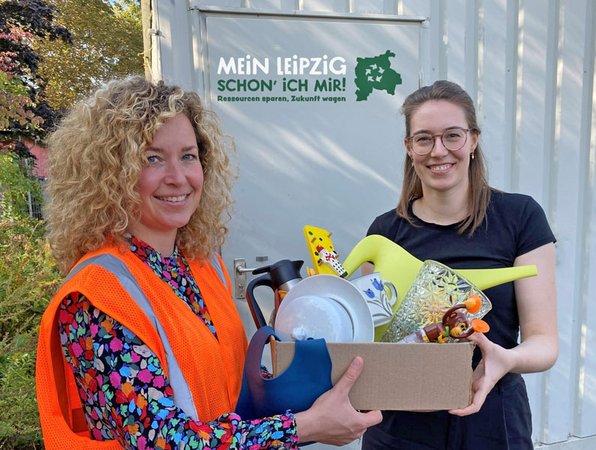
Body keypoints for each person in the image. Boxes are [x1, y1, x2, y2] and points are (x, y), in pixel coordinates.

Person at [35, 76, 382, 449]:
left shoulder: (201, 264)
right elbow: (163, 441)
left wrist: (315, 389)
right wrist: (303, 427)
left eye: (188, 156)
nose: (179, 177)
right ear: (111, 174)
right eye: (152, 158)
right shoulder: (96, 296)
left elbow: (228, 385)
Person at [360, 80, 558, 449]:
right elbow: (372, 338)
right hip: (400, 424)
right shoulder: (384, 233)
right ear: (409, 147)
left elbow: (544, 342)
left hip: (491, 415)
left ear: (473, 140)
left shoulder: (520, 217)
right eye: (424, 139)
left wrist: (504, 359)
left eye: (452, 135)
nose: (439, 151)